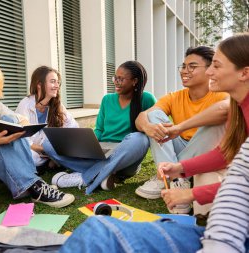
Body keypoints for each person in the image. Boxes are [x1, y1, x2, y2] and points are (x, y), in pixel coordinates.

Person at [59, 33, 249, 253]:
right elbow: (227, 156)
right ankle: (173, 179)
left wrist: (192, 193)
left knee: (97, 230)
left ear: (244, 73)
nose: (209, 72)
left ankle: (96, 176)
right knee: (149, 124)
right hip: (184, 164)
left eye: (215, 66)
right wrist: (178, 168)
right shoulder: (236, 106)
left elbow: (239, 181)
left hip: (231, 234)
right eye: (184, 66)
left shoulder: (227, 103)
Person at [0, 59, 75, 209]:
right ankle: (35, 186)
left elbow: (19, 119)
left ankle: (31, 183)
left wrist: (20, 125)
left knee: (9, 122)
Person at [134, 46, 229, 214]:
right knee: (154, 115)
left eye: (192, 66)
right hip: (179, 149)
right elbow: (142, 116)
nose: (185, 71)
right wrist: (149, 128)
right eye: (183, 66)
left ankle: (175, 176)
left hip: (204, 151)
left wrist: (180, 127)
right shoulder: (175, 96)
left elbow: (225, 111)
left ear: (209, 70)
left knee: (214, 121)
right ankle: (174, 179)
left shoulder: (221, 95)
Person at [43, 61, 156, 194]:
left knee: (140, 139)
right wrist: (90, 146)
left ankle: (85, 177)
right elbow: (100, 130)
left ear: (134, 81)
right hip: (101, 152)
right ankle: (106, 175)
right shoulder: (107, 99)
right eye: (115, 77)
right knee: (48, 144)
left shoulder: (147, 99)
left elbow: (153, 129)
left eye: (121, 79)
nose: (116, 82)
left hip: (125, 157)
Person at [15, 66, 78, 171]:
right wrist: (45, 150)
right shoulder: (25, 104)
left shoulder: (57, 105)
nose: (57, 86)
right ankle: (52, 162)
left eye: (58, 82)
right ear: (39, 84)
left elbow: (73, 127)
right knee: (29, 156)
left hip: (49, 151)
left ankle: (53, 162)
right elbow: (22, 139)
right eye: (53, 82)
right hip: (34, 151)